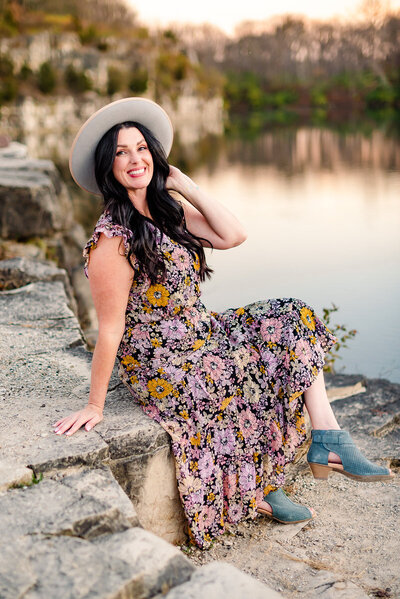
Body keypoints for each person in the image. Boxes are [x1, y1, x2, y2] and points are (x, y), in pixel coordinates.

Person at [54, 97, 393, 549]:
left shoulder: (167, 213)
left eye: (141, 148)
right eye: (121, 152)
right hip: (162, 363)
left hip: (200, 331)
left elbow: (233, 235)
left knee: (291, 317)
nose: (135, 160)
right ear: (107, 166)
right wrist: (95, 405)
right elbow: (111, 327)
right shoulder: (112, 240)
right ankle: (255, 490)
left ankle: (327, 438)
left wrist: (184, 184)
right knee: (230, 375)